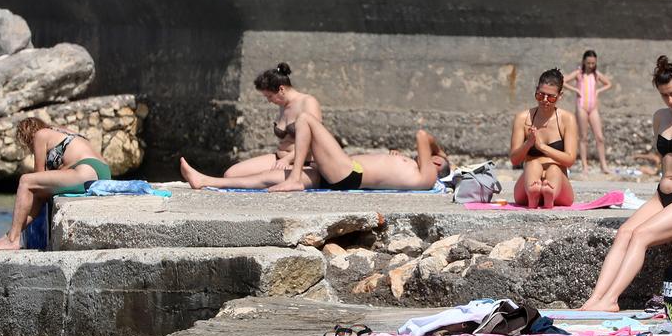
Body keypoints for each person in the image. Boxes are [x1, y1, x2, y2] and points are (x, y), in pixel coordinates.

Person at [580, 56, 672, 312]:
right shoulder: (660, 117)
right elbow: (664, 159)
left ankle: (611, 300)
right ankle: (594, 299)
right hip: (662, 194)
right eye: (665, 95)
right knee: (624, 233)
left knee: (641, 235)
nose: (671, 100)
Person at [182, 114, 449, 192]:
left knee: (307, 120)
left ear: (436, 162)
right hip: (343, 174)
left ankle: (295, 177)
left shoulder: (426, 176)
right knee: (266, 178)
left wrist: (441, 153)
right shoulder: (415, 171)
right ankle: (205, 180)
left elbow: (422, 135)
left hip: (349, 172)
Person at [0, 119, 112, 252]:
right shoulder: (60, 131)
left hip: (85, 171)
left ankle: (12, 240)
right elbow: (41, 192)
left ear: (26, 136)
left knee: (26, 181)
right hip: (102, 171)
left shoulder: (40, 135)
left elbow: (38, 176)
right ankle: (10, 236)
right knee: (38, 195)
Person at [223, 62, 322, 181]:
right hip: (279, 158)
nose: (269, 101)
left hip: (304, 162)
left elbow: (314, 141)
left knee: (260, 179)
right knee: (231, 174)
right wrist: (282, 159)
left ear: (281, 89)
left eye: (269, 96)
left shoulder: (308, 102)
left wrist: (287, 159)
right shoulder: (283, 105)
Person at [511, 68, 578, 208]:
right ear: (536, 91)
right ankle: (534, 193)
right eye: (540, 95)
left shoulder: (567, 119)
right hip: (530, 179)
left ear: (560, 96)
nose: (545, 101)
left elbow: (570, 160)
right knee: (533, 164)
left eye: (551, 97)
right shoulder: (523, 118)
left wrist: (542, 147)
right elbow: (514, 159)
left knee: (554, 168)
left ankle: (548, 194)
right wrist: (528, 144)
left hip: (556, 181)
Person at [566, 50, 614, 175]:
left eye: (593, 63)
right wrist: (575, 89)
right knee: (583, 137)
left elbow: (609, 83)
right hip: (581, 106)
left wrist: (598, 91)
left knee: (600, 137)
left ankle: (604, 165)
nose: (591, 65)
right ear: (584, 62)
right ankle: (584, 166)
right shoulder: (579, 73)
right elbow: (564, 81)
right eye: (588, 63)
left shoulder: (596, 74)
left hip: (593, 108)